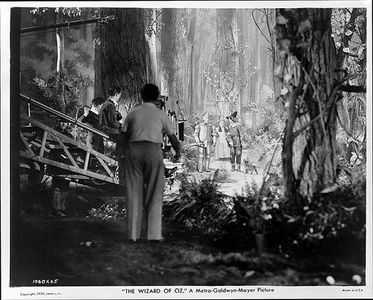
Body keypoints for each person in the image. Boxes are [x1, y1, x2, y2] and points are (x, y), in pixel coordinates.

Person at [121, 83, 180, 242]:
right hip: (153, 151)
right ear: (156, 97)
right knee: (154, 192)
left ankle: (133, 235)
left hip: (134, 151)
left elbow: (124, 135)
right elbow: (172, 136)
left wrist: (122, 152)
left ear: (141, 95)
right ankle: (153, 235)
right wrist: (178, 151)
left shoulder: (133, 113)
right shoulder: (161, 115)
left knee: (134, 192)